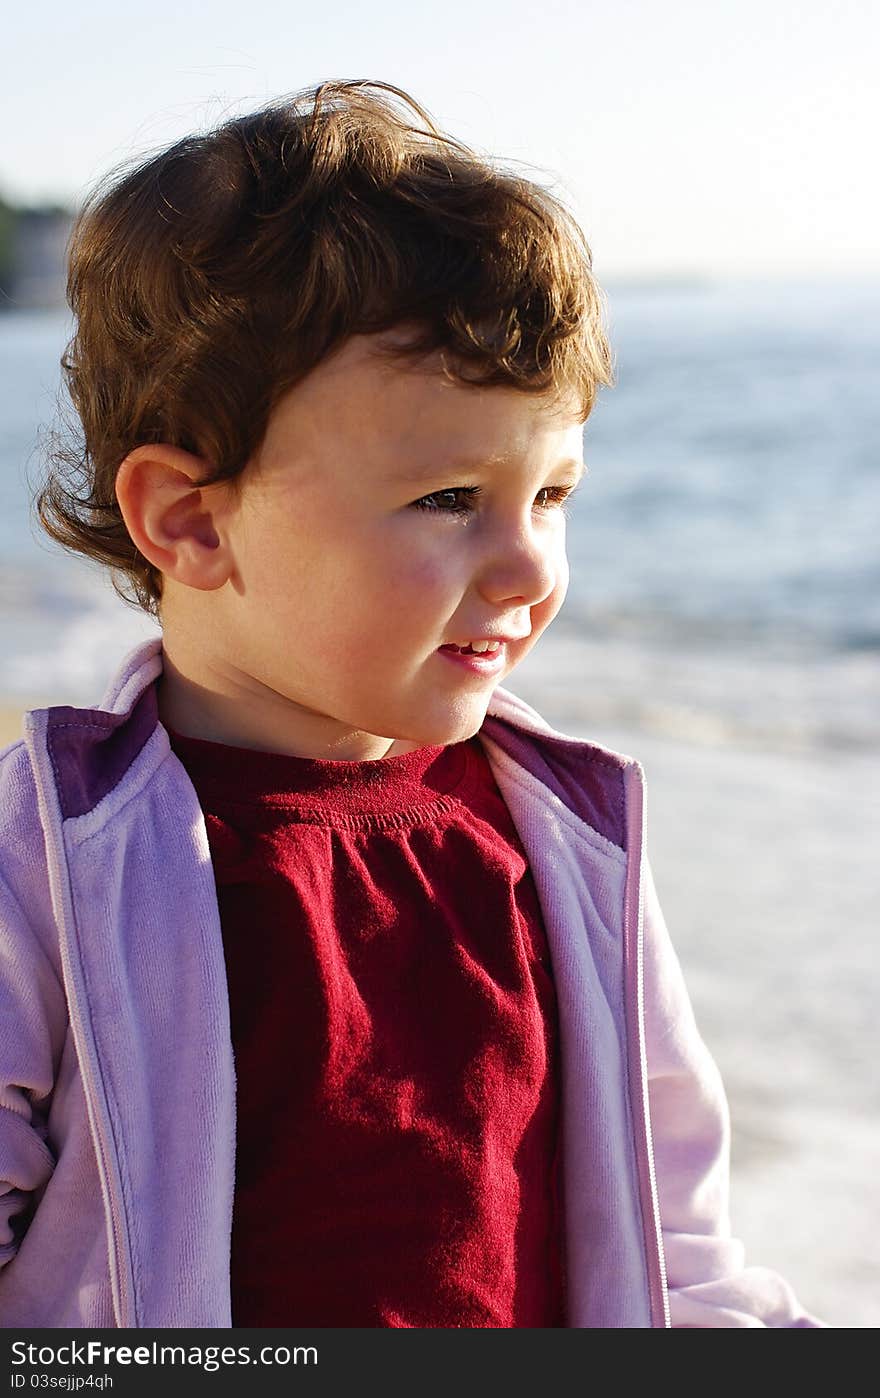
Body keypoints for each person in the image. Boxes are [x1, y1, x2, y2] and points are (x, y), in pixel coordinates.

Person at [0, 79, 823, 1329]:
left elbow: (677, 1248)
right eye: (449, 499)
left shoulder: (565, 837)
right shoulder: (55, 858)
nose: (530, 566)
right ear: (192, 519)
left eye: (551, 495)